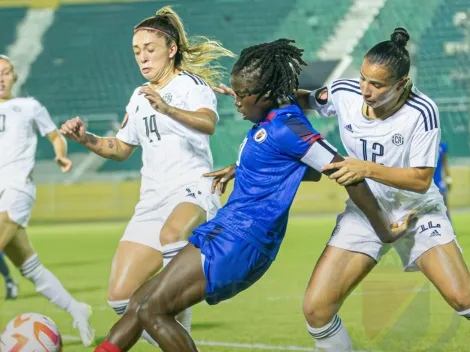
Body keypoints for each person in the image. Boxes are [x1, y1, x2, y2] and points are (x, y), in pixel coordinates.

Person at [92, 39, 414, 352]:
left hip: (241, 242)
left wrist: (384, 229)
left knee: (152, 311)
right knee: (139, 302)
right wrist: (241, 169)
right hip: (226, 232)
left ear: (265, 95)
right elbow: (303, 168)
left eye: (242, 95)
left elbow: (344, 172)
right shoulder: (269, 118)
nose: (236, 101)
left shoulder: (288, 127)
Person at [60, 6, 234, 346]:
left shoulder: (191, 85)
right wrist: (87, 138)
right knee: (121, 299)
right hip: (152, 200)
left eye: (149, 49)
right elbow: (121, 148)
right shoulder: (139, 96)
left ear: (171, 49)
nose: (142, 57)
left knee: (173, 236)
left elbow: (208, 123)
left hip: (192, 189)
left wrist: (167, 108)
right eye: (137, 51)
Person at [293, 28, 469, 351]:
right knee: (316, 310)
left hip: (416, 210)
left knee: (463, 299)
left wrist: (365, 168)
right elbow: (305, 101)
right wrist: (266, 93)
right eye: (362, 79)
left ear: (401, 84)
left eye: (377, 84)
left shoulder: (422, 112)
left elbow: (420, 179)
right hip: (365, 211)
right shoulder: (343, 93)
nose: (365, 90)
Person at [0, 55, 94, 346]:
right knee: (31, 268)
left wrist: (61, 153)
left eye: (5, 73)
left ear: (15, 76)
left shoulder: (29, 107)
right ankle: (76, 309)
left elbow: (54, 136)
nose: (0, 78)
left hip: (17, 188)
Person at [433, 141, 452, 218]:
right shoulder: (424, 144)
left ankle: (449, 228)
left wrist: (449, 179)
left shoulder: (442, 146)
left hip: (438, 183)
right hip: (427, 184)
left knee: (444, 209)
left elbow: (445, 164)